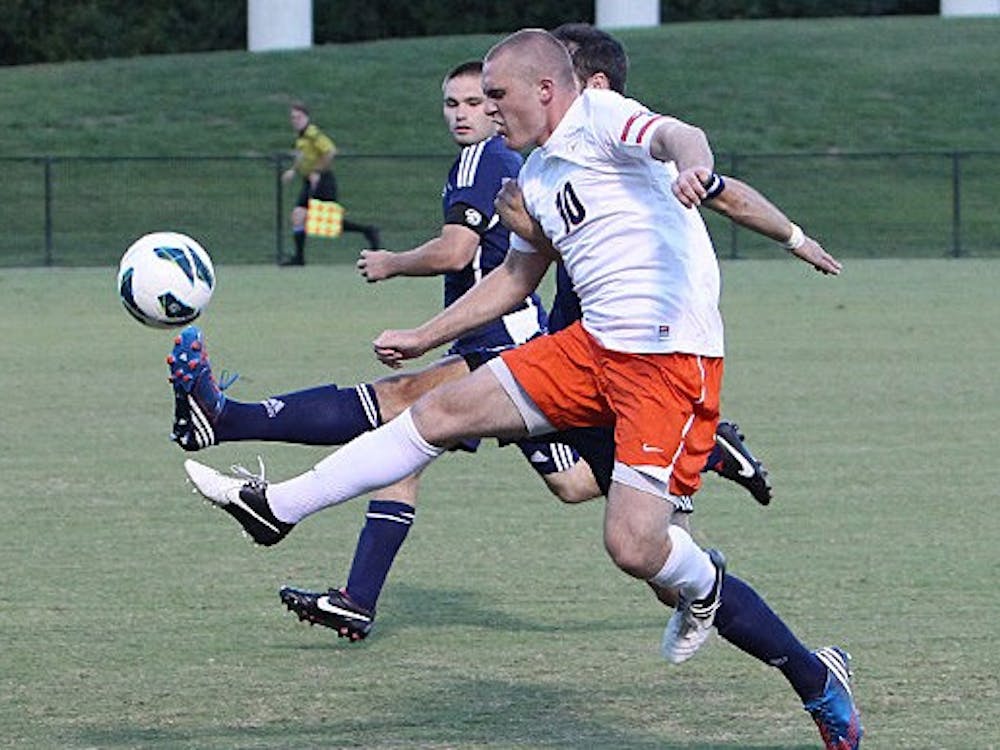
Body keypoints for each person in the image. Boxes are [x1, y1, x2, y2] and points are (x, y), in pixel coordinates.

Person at [183, 29, 861, 749]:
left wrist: (702, 173)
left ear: (547, 88)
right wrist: (425, 334)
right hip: (588, 349)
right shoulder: (534, 178)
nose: (489, 110)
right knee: (437, 410)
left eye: (497, 96)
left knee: (634, 547)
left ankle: (813, 677)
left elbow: (684, 137)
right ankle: (278, 508)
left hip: (668, 362)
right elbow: (514, 281)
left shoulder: (602, 117)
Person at [280, 101, 381, 266]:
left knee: (330, 222)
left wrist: (318, 172)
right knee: (298, 215)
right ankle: (299, 258)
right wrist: (293, 170)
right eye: (292, 117)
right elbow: (302, 156)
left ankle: (368, 230)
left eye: (298, 117)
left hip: (323, 181)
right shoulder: (302, 137)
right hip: (309, 181)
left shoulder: (313, 133)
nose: (295, 120)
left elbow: (330, 151)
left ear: (307, 118)